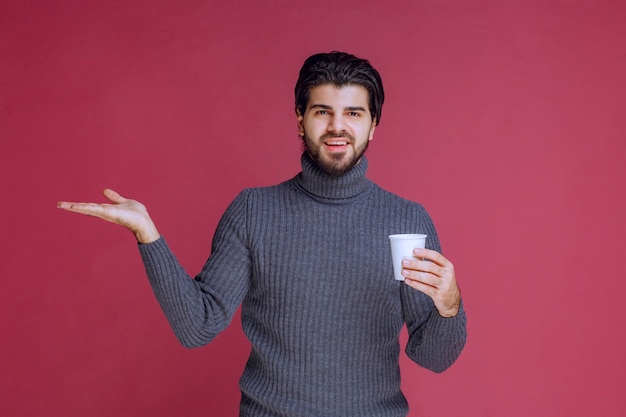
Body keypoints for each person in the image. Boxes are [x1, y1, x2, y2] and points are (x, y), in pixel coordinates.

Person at [58, 51, 466, 417]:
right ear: (300, 119)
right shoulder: (255, 211)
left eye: (354, 114)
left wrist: (450, 305)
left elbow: (434, 357)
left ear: (373, 125)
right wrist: (148, 235)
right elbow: (197, 326)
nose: (337, 126)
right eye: (322, 111)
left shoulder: (407, 221)